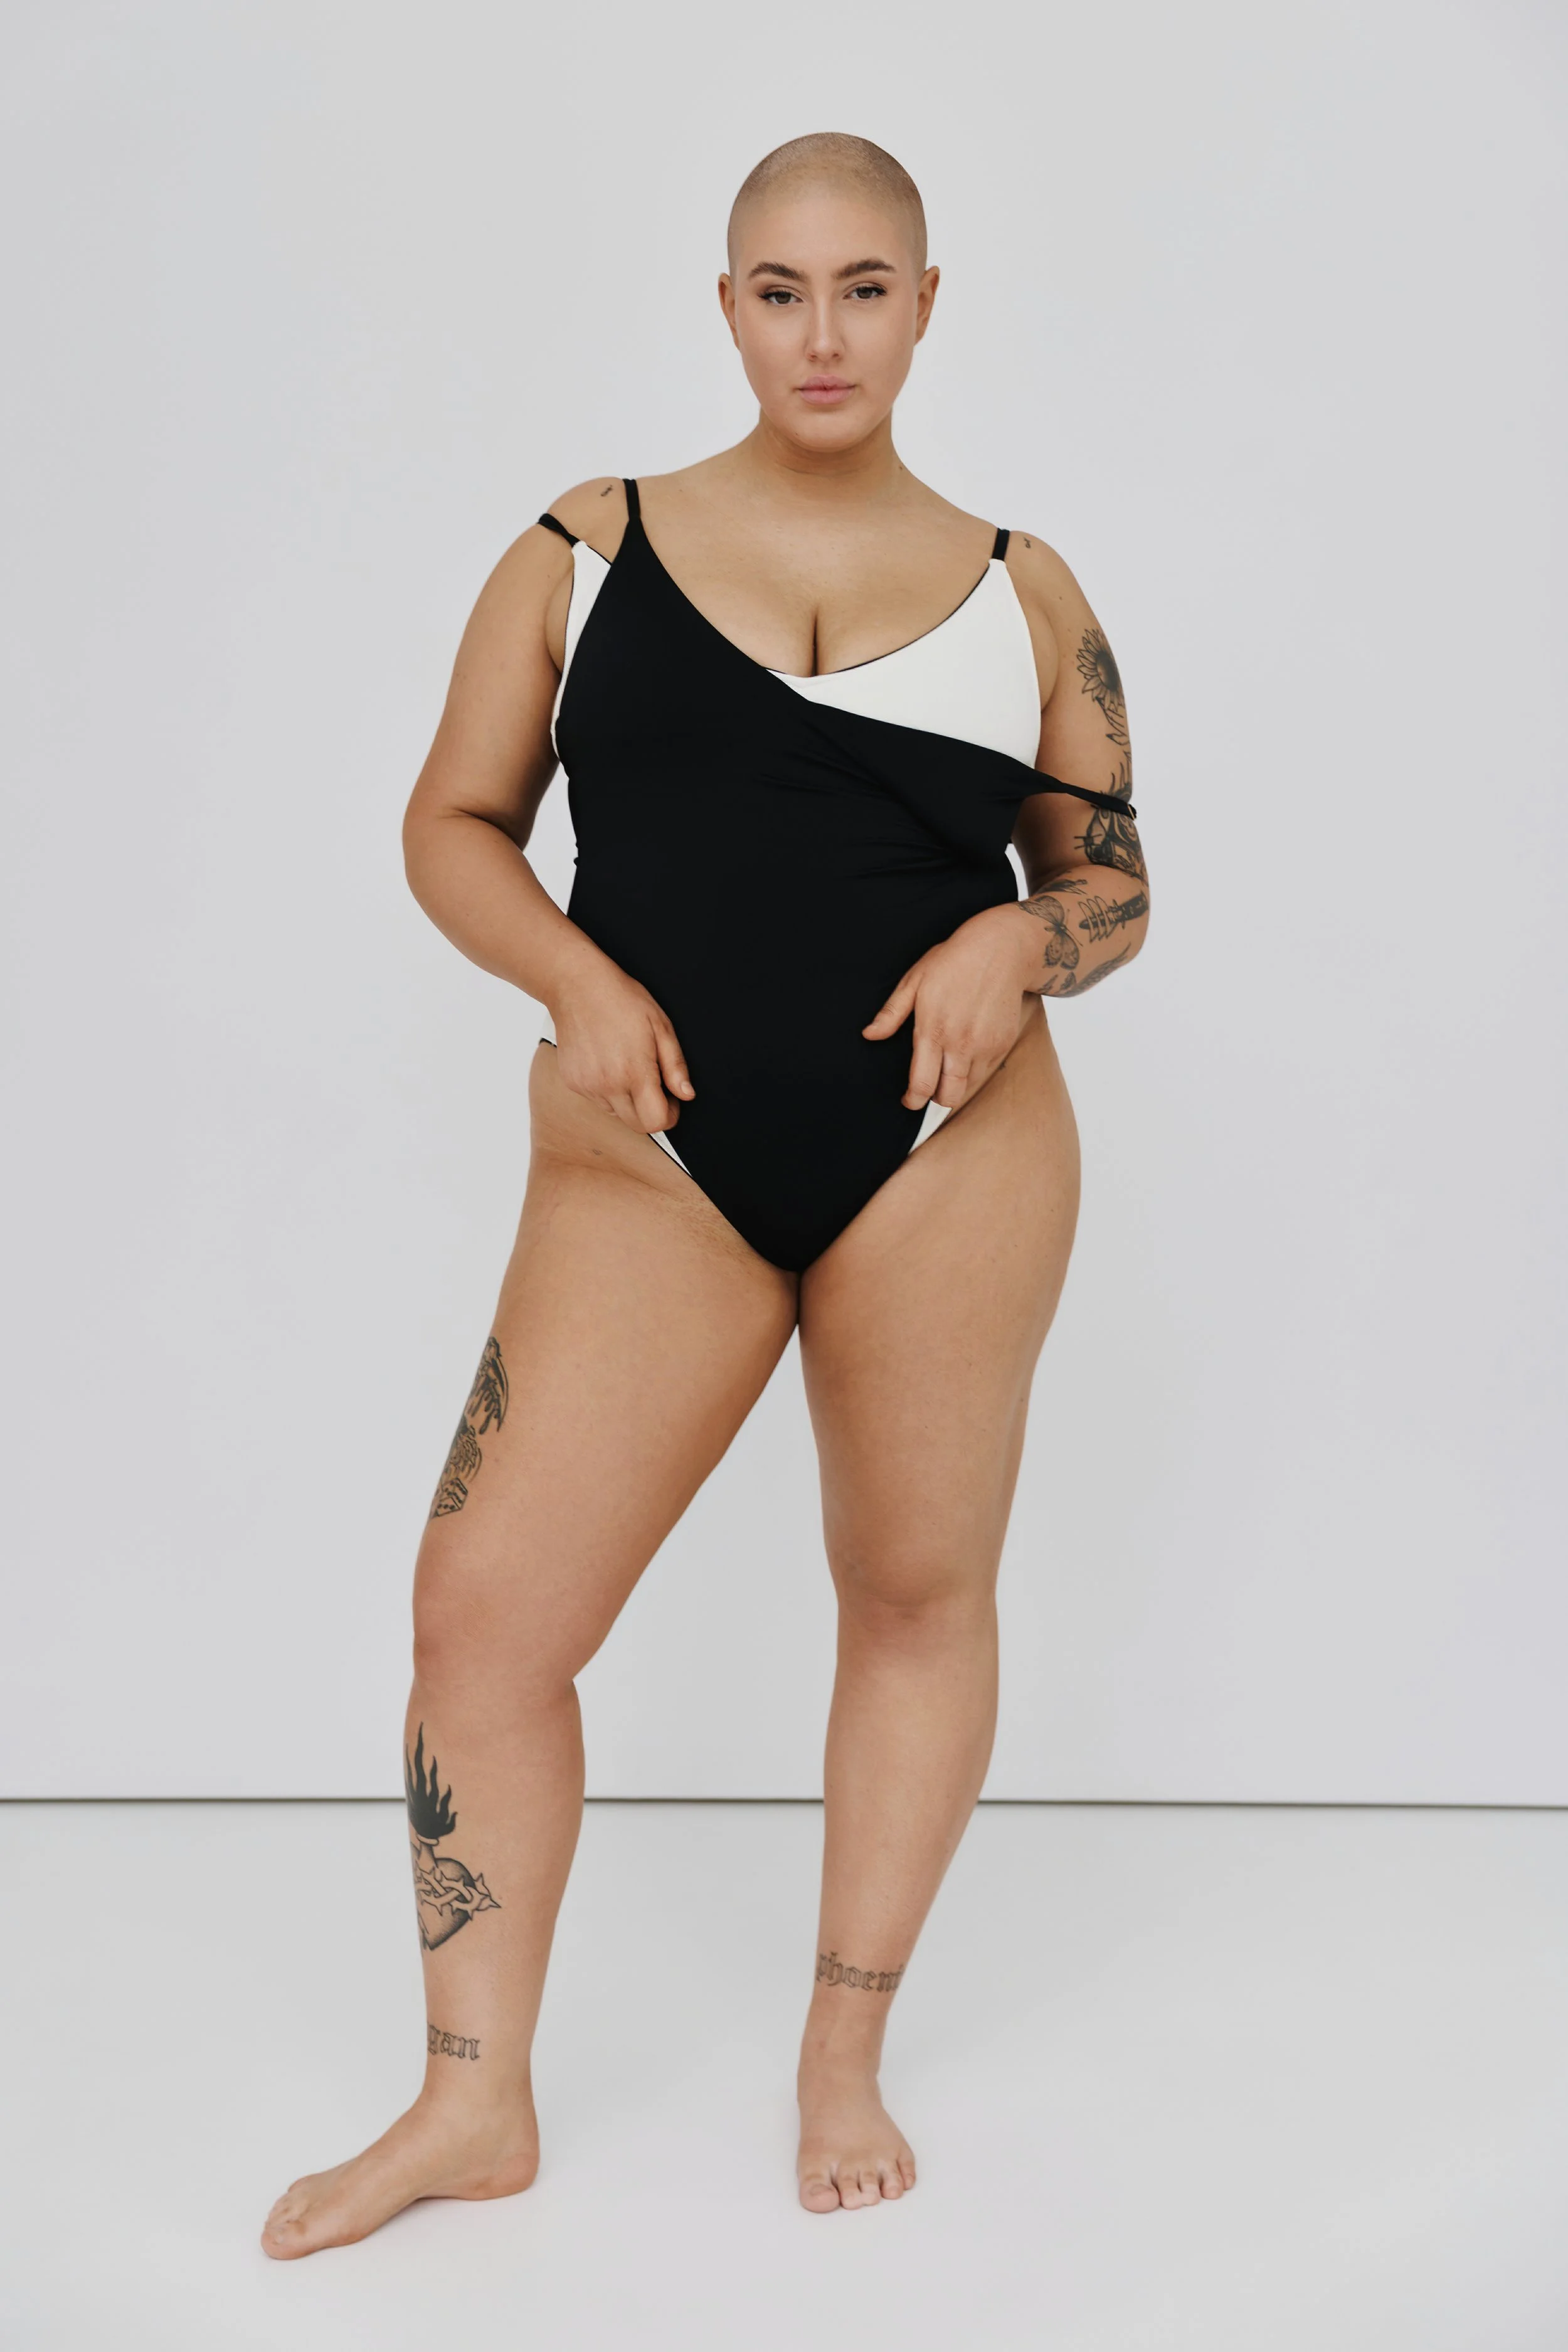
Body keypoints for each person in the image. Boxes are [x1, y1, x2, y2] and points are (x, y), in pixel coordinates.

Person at [262, 129, 1148, 2259]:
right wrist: (573, 980)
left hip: (948, 1150)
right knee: (483, 1617)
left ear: (925, 304)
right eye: (778, 288)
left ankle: (842, 2051)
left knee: (913, 1592)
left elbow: (1112, 881)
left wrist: (1015, 941)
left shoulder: (1025, 586)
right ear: (727, 304)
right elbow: (455, 821)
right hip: (645, 1158)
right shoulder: (585, 546)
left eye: (863, 287)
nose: (821, 333)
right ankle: (471, 2097)